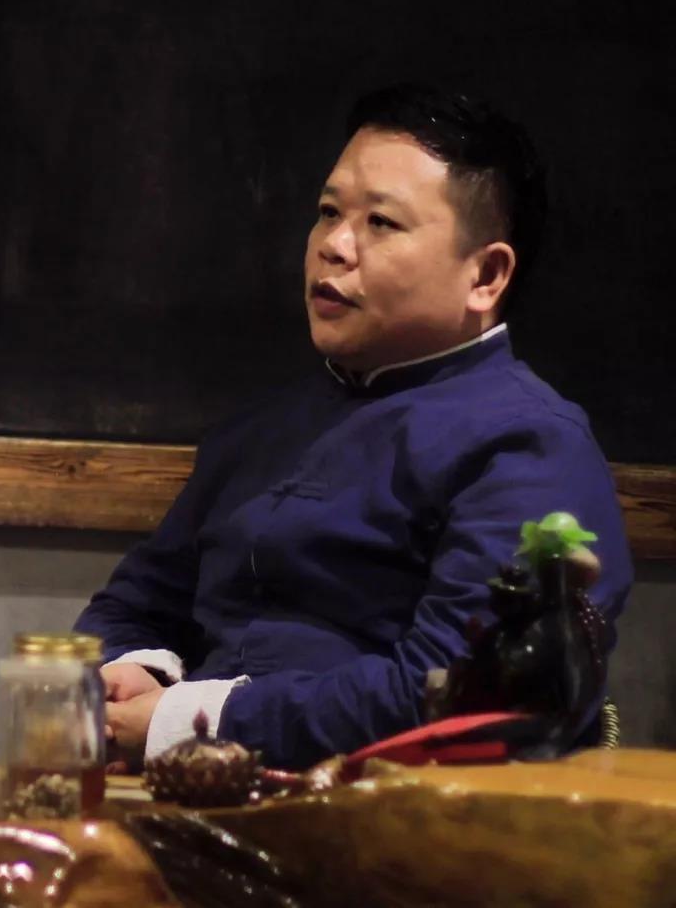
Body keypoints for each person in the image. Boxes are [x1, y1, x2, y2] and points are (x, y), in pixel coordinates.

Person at [73, 83, 633, 770]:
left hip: (383, 817)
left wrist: (186, 720)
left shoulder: (532, 447)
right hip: (190, 794)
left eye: (381, 223)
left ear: (485, 275)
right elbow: (132, 603)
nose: (334, 246)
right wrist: (136, 671)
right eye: (329, 212)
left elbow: (458, 698)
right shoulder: (261, 427)